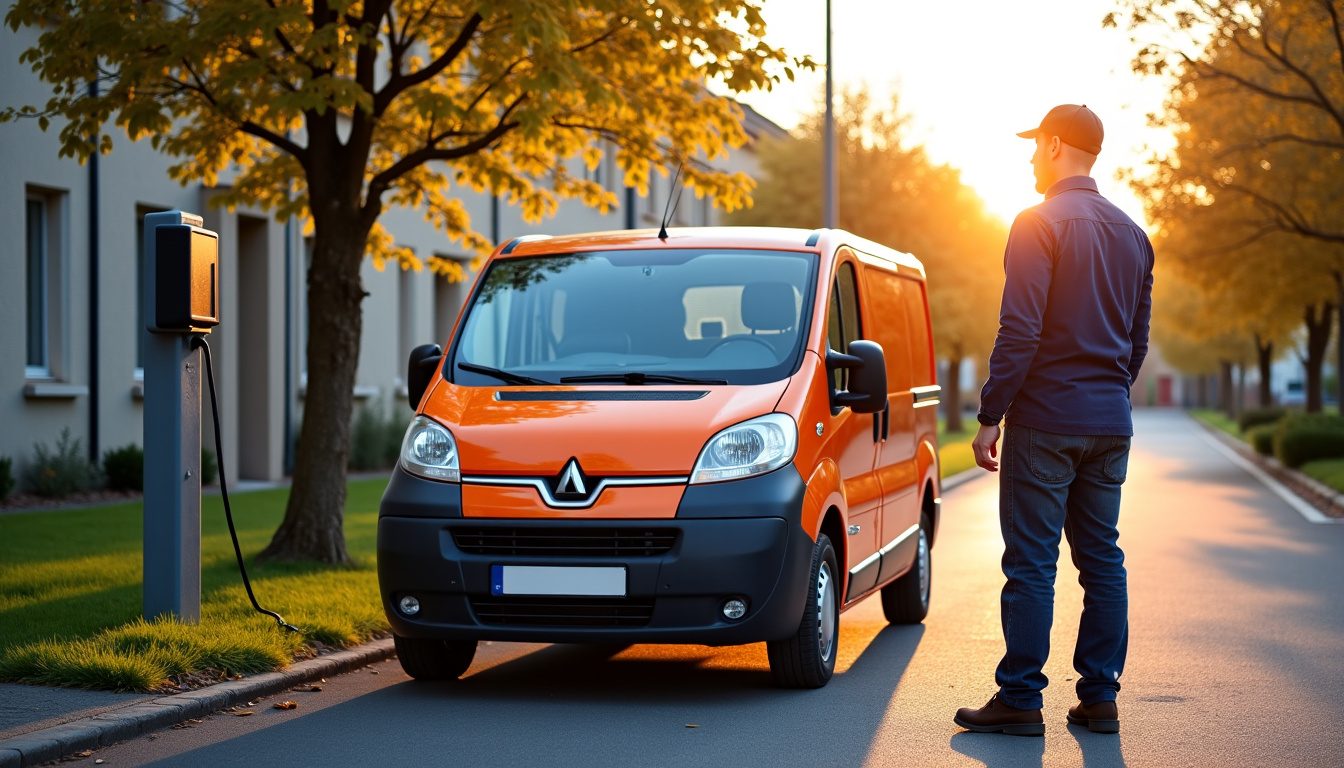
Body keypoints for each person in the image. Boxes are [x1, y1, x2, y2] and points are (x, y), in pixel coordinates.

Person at [953, 104, 1154, 737]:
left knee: (1033, 562)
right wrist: (1108, 394)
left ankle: (1019, 698)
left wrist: (990, 414)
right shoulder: (1133, 234)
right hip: (1108, 419)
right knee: (1102, 560)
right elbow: (1136, 340)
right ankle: (1099, 697)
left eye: (1036, 144)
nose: (1030, 157)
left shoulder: (1036, 223)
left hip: (1045, 419)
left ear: (1057, 143)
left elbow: (1020, 330)